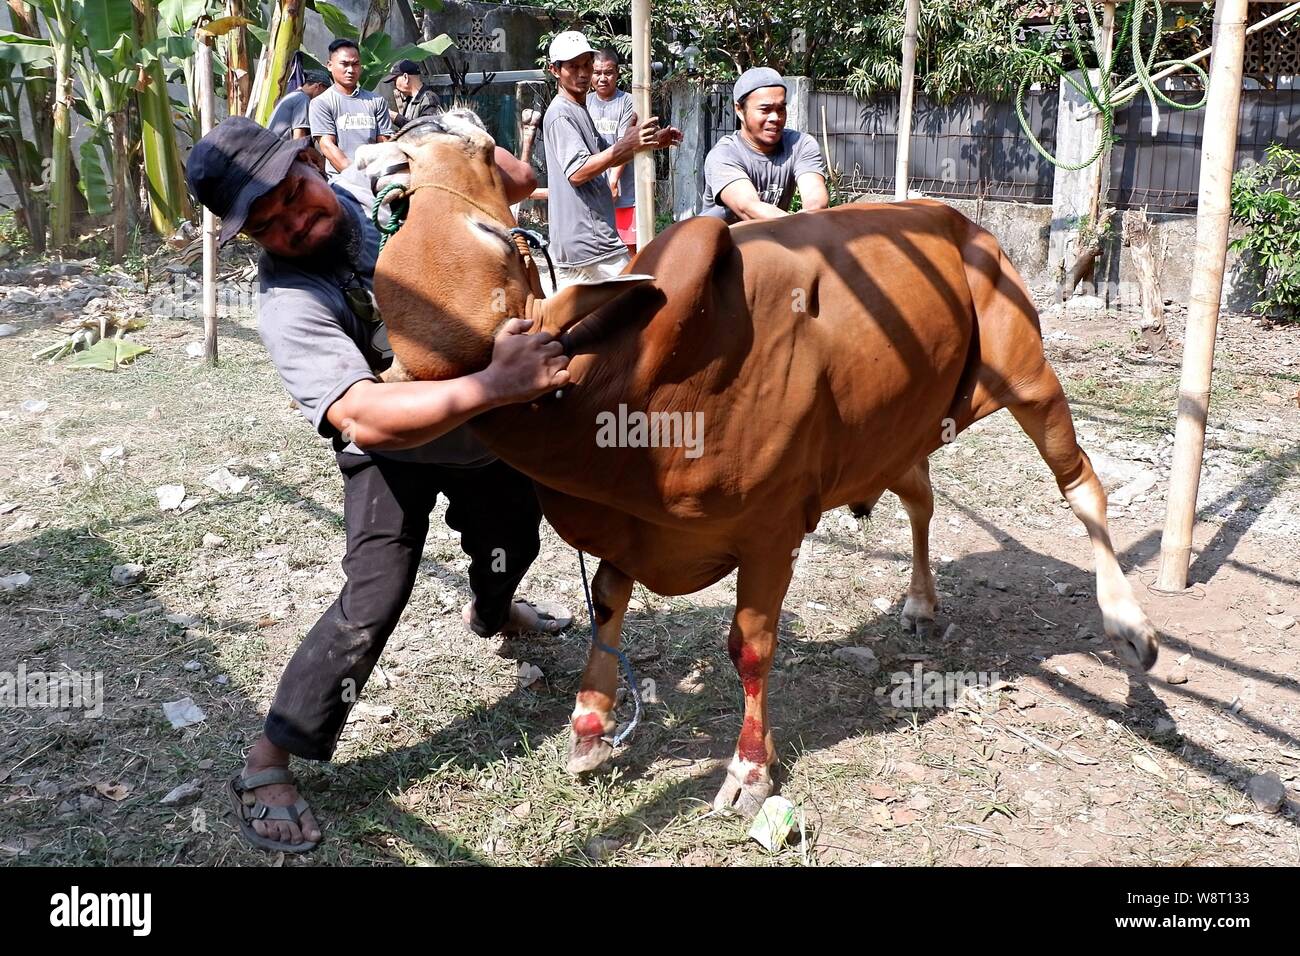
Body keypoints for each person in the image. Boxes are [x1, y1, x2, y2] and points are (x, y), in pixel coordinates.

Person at [185, 116, 567, 853]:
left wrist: (448, 146)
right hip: (392, 450)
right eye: (270, 225)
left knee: (514, 540)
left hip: (482, 436)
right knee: (371, 600)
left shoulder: (384, 186)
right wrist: (495, 384)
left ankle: (493, 613)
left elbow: (514, 185)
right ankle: (269, 761)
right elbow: (364, 416)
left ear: (310, 160)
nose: (297, 221)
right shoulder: (289, 302)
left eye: (296, 193)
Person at [542, 30, 679, 289]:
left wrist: (649, 141)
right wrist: (625, 145)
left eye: (586, 65)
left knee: (589, 324)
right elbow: (579, 171)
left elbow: (610, 156)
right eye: (573, 67)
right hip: (590, 243)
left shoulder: (578, 109)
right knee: (641, 303)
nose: (583, 73)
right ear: (555, 71)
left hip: (590, 240)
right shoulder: (561, 114)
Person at [700, 67, 828, 223]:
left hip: (772, 237)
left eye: (781, 109)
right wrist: (798, 225)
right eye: (765, 110)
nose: (775, 117)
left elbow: (816, 202)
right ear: (739, 110)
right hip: (720, 243)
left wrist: (808, 217)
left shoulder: (801, 145)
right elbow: (748, 208)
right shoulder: (724, 155)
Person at [309, 38, 393, 177]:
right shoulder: (321, 103)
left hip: (376, 179)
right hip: (341, 183)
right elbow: (328, 146)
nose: (351, 70)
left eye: (355, 64)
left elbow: (384, 142)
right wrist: (357, 177)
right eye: (344, 64)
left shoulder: (377, 101)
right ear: (329, 65)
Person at [586, 48, 637, 253]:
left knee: (629, 251)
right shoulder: (584, 102)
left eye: (608, 72)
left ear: (617, 73)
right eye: (597, 73)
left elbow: (625, 142)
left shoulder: (628, 102)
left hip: (624, 192)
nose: (602, 78)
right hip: (593, 190)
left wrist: (613, 181)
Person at [266, 70, 331, 141]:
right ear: (318, 86)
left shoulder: (292, 96)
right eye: (325, 92)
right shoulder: (303, 100)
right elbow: (298, 140)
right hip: (281, 149)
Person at [384, 58, 442, 130]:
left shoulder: (428, 99)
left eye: (395, 80)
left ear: (406, 77)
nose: (394, 85)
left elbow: (426, 129)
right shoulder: (410, 99)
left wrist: (396, 118)